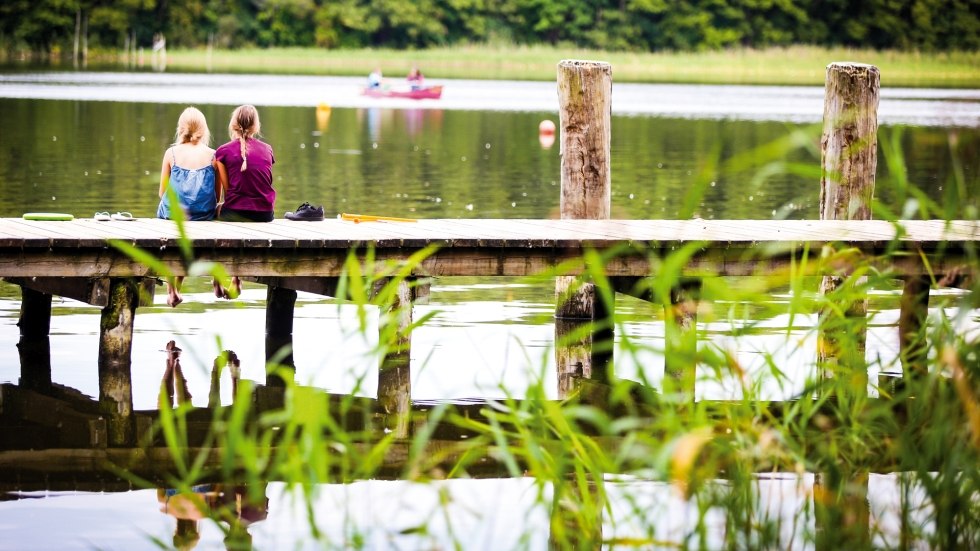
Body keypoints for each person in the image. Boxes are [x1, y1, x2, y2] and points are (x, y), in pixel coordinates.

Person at [157, 106, 218, 307]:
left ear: (181, 128)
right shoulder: (213, 155)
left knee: (173, 216)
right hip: (203, 214)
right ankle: (177, 288)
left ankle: (171, 290)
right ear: (204, 129)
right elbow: (217, 195)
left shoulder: (171, 153)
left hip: (175, 215)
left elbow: (162, 192)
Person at [214, 104, 276, 299]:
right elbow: (265, 181)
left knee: (217, 215)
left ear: (233, 125)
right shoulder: (267, 149)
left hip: (234, 211)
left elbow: (227, 190)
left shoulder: (222, 151)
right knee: (238, 212)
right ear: (256, 127)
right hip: (264, 213)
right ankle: (236, 280)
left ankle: (219, 278)